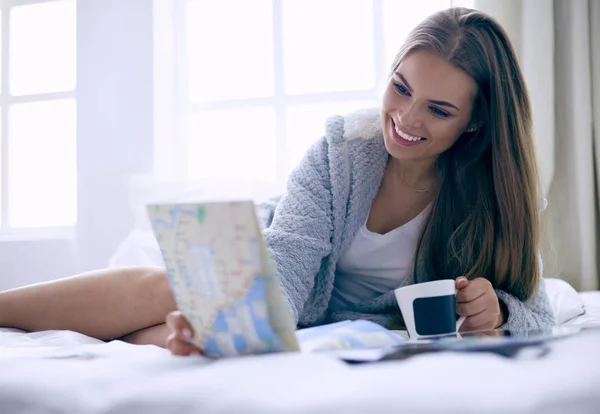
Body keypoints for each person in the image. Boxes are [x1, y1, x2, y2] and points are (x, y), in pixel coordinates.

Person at [0, 7, 555, 356]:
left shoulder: (497, 194)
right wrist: (244, 317)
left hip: (332, 320)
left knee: (174, 335)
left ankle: (161, 334)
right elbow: (284, 270)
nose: (406, 119)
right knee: (167, 290)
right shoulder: (341, 153)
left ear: (476, 121)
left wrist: (500, 313)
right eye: (400, 87)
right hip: (280, 276)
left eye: (437, 109)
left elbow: (537, 311)